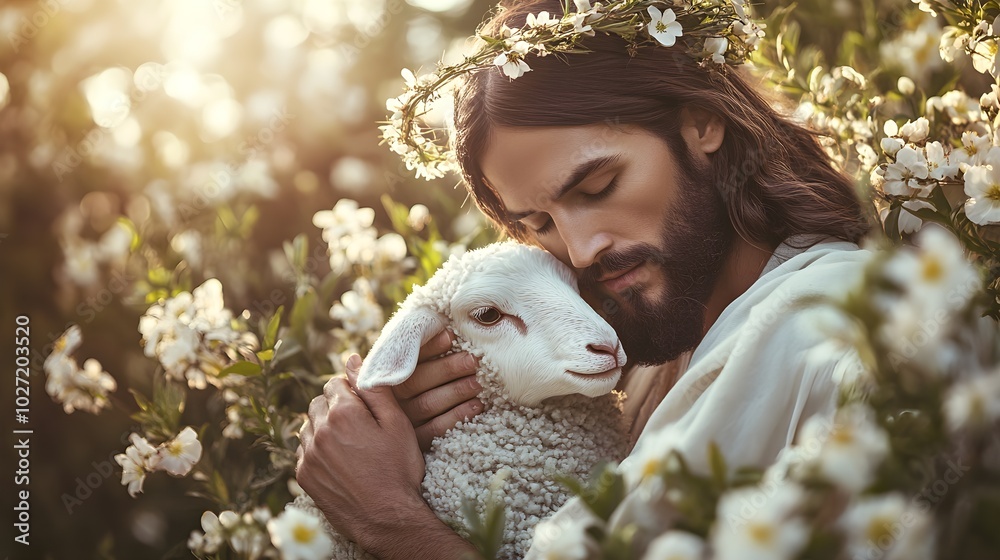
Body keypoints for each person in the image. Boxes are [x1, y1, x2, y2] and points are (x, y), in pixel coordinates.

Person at [295, 0, 874, 557]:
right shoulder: (646, 364)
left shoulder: (835, 330)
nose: (578, 250)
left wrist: (386, 519)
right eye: (539, 222)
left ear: (701, 123)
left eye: (597, 188)